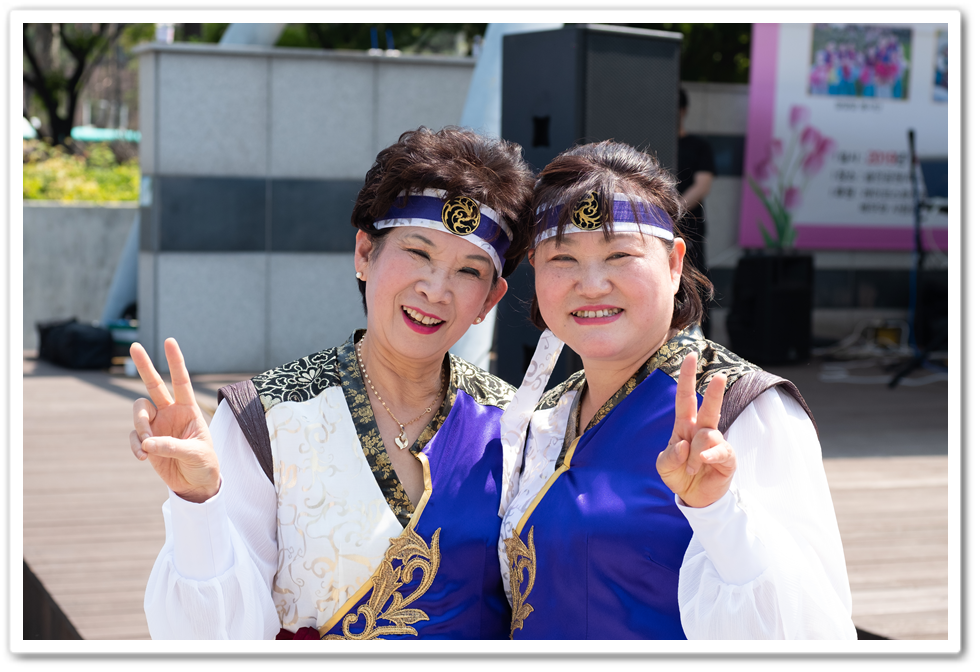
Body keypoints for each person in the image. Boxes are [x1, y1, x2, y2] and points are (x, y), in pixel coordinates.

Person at [130, 126, 535, 639]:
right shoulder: (268, 417)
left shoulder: (517, 426)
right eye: (418, 252)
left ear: (490, 300)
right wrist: (197, 501)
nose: (436, 290)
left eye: (469, 271)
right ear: (365, 253)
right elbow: (210, 640)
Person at [496, 141, 855, 639]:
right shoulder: (549, 413)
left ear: (673, 263)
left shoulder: (742, 408)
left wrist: (718, 513)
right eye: (563, 258)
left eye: (620, 254)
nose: (591, 284)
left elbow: (811, 631)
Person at [676, 87, 716, 337]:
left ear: (683, 111)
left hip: (689, 231)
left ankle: (702, 347)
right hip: (652, 231)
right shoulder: (647, 143)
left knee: (695, 289)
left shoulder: (698, 146)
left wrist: (671, 212)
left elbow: (702, 186)